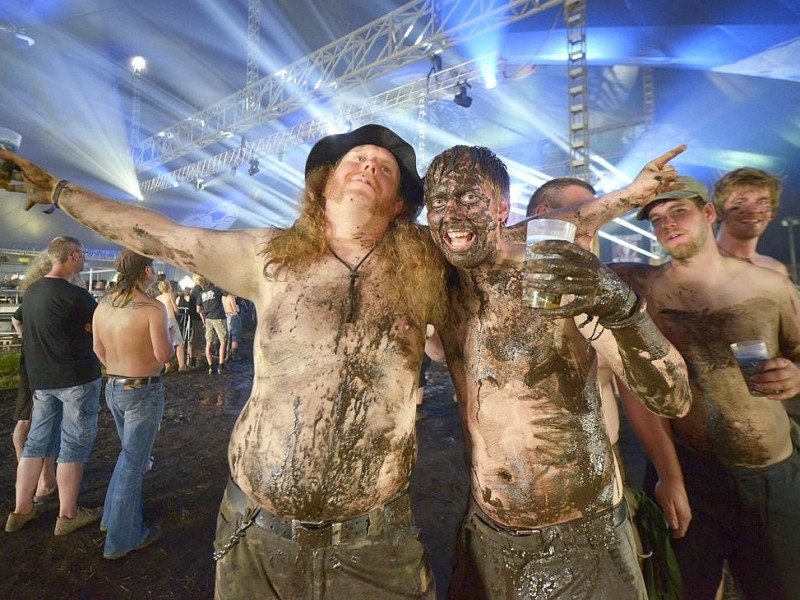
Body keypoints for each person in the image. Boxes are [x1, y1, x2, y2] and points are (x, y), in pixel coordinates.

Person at [1, 123, 447, 598]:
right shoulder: (270, 256)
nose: (370, 167)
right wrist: (60, 191)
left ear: (400, 203)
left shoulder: (423, 274)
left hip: (376, 545)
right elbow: (162, 235)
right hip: (257, 534)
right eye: (357, 159)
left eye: (384, 168)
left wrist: (433, 337)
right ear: (325, 182)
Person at [422, 145, 691, 599]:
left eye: (470, 198)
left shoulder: (555, 274)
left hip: (582, 534)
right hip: (487, 531)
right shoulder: (442, 284)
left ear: (503, 208)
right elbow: (579, 213)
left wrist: (622, 309)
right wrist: (628, 193)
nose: (452, 213)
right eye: (438, 202)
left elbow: (674, 398)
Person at [612, 176, 800, 599]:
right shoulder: (645, 289)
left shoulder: (769, 287)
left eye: (679, 211)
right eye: (657, 219)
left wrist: (795, 373)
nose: (668, 224)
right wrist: (669, 475)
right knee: (689, 590)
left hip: (770, 473)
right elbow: (639, 388)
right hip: (692, 468)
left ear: (708, 214)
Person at [5, 236, 103, 536]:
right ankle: (68, 514)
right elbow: (98, 326)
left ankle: (21, 510)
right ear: (73, 255)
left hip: (41, 380)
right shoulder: (76, 296)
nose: (84, 258)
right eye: (83, 253)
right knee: (73, 444)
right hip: (76, 378)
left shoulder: (32, 292)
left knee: (36, 443)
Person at [92, 250, 174, 559]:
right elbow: (164, 356)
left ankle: (112, 520)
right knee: (134, 462)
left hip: (113, 386)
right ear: (148, 271)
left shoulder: (103, 305)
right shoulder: (152, 309)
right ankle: (121, 539)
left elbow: (97, 348)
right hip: (143, 390)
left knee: (128, 457)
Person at [713, 167, 789, 277]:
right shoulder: (699, 264)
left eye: (762, 202)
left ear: (771, 213)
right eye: (741, 202)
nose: (753, 210)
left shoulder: (776, 270)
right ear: (718, 211)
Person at [194, 276, 228, 374]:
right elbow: (227, 293)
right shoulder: (216, 289)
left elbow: (198, 310)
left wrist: (204, 319)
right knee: (223, 341)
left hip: (208, 319)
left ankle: (210, 367)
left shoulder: (201, 293)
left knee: (208, 342)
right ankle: (221, 366)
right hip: (219, 317)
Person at [155, 279, 188, 371]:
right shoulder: (169, 295)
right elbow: (176, 309)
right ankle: (182, 365)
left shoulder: (157, 298)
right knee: (178, 342)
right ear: (168, 287)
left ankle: (167, 366)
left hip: (162, 321)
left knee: (165, 342)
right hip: (171, 319)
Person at [221, 292, 241, 362]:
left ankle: (228, 353)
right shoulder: (231, 297)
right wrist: (238, 309)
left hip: (227, 316)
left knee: (229, 335)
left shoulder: (224, 298)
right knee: (235, 335)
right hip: (233, 316)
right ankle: (234, 354)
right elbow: (235, 310)